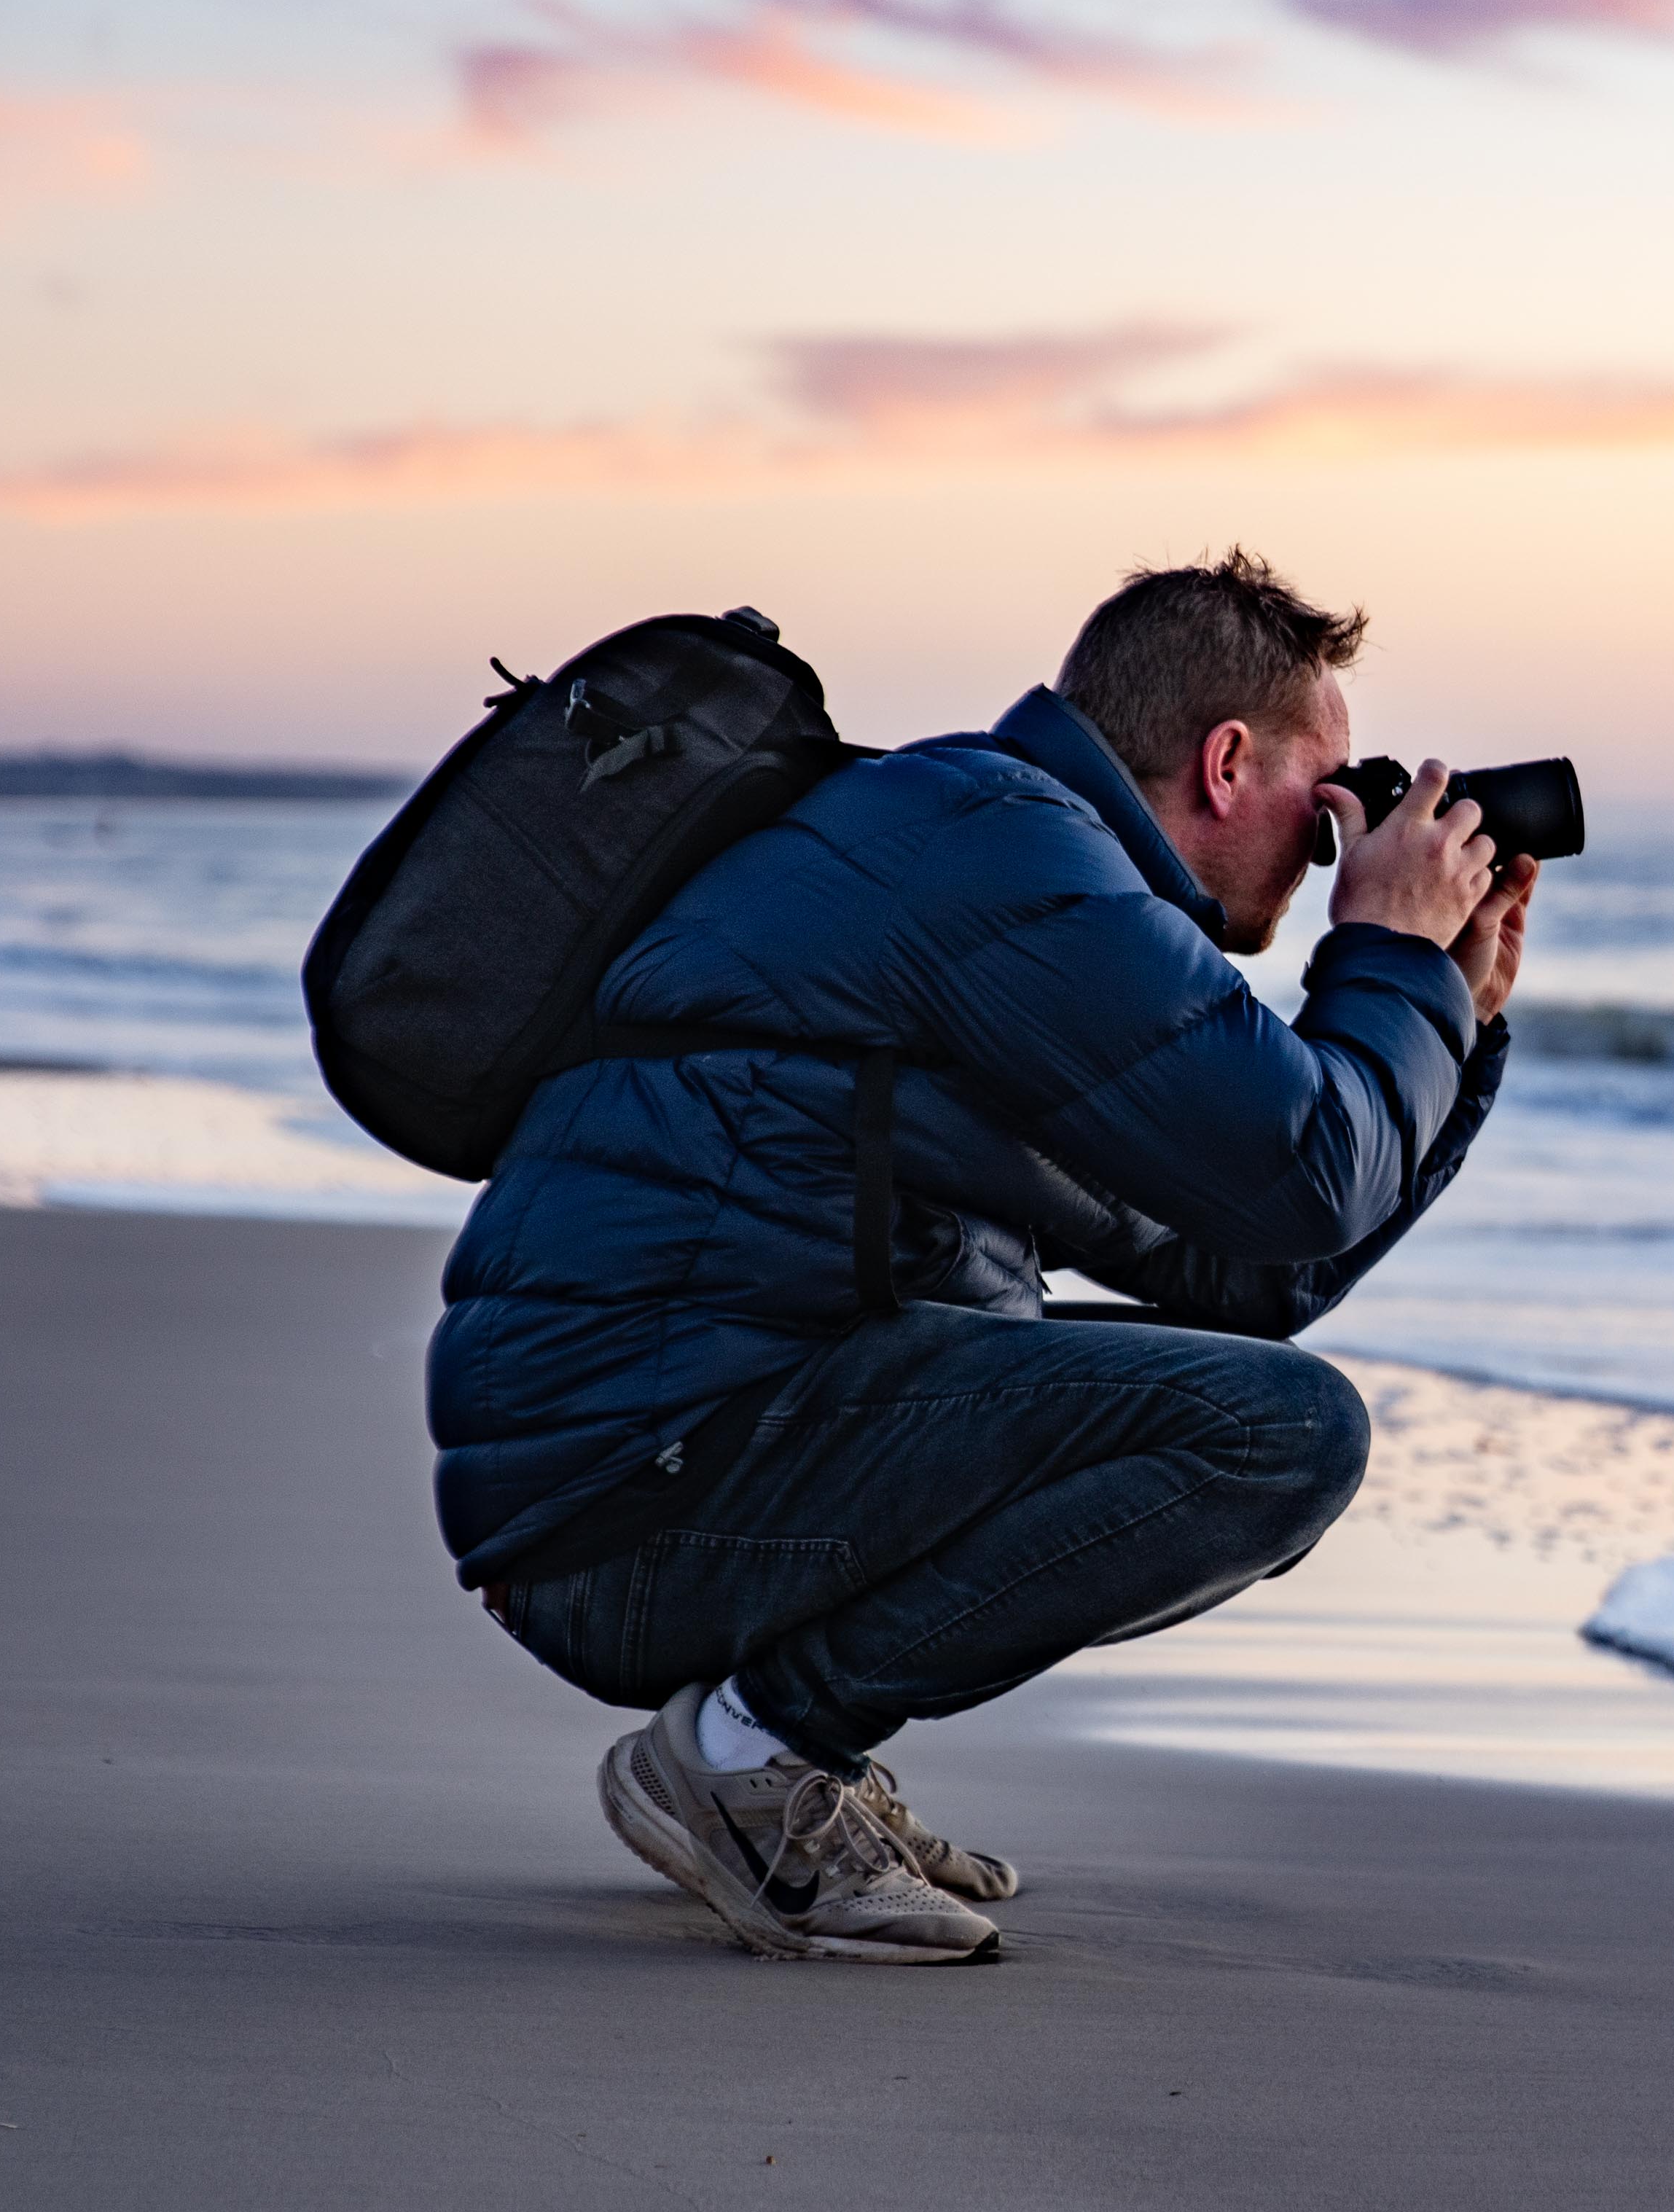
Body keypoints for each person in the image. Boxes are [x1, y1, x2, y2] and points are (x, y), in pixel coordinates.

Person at [427, 551, 1536, 1963]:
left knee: (1267, 1408)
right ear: (1228, 760)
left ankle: (770, 1752)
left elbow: (1261, 1271)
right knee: (1282, 1432)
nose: (1327, 859)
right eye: (1324, 819)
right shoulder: (1004, 853)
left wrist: (1460, 1008)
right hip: (627, 1496)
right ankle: (752, 1751)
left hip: (645, 1470)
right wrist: (1390, 956)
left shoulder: (994, 864)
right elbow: (1307, 1171)